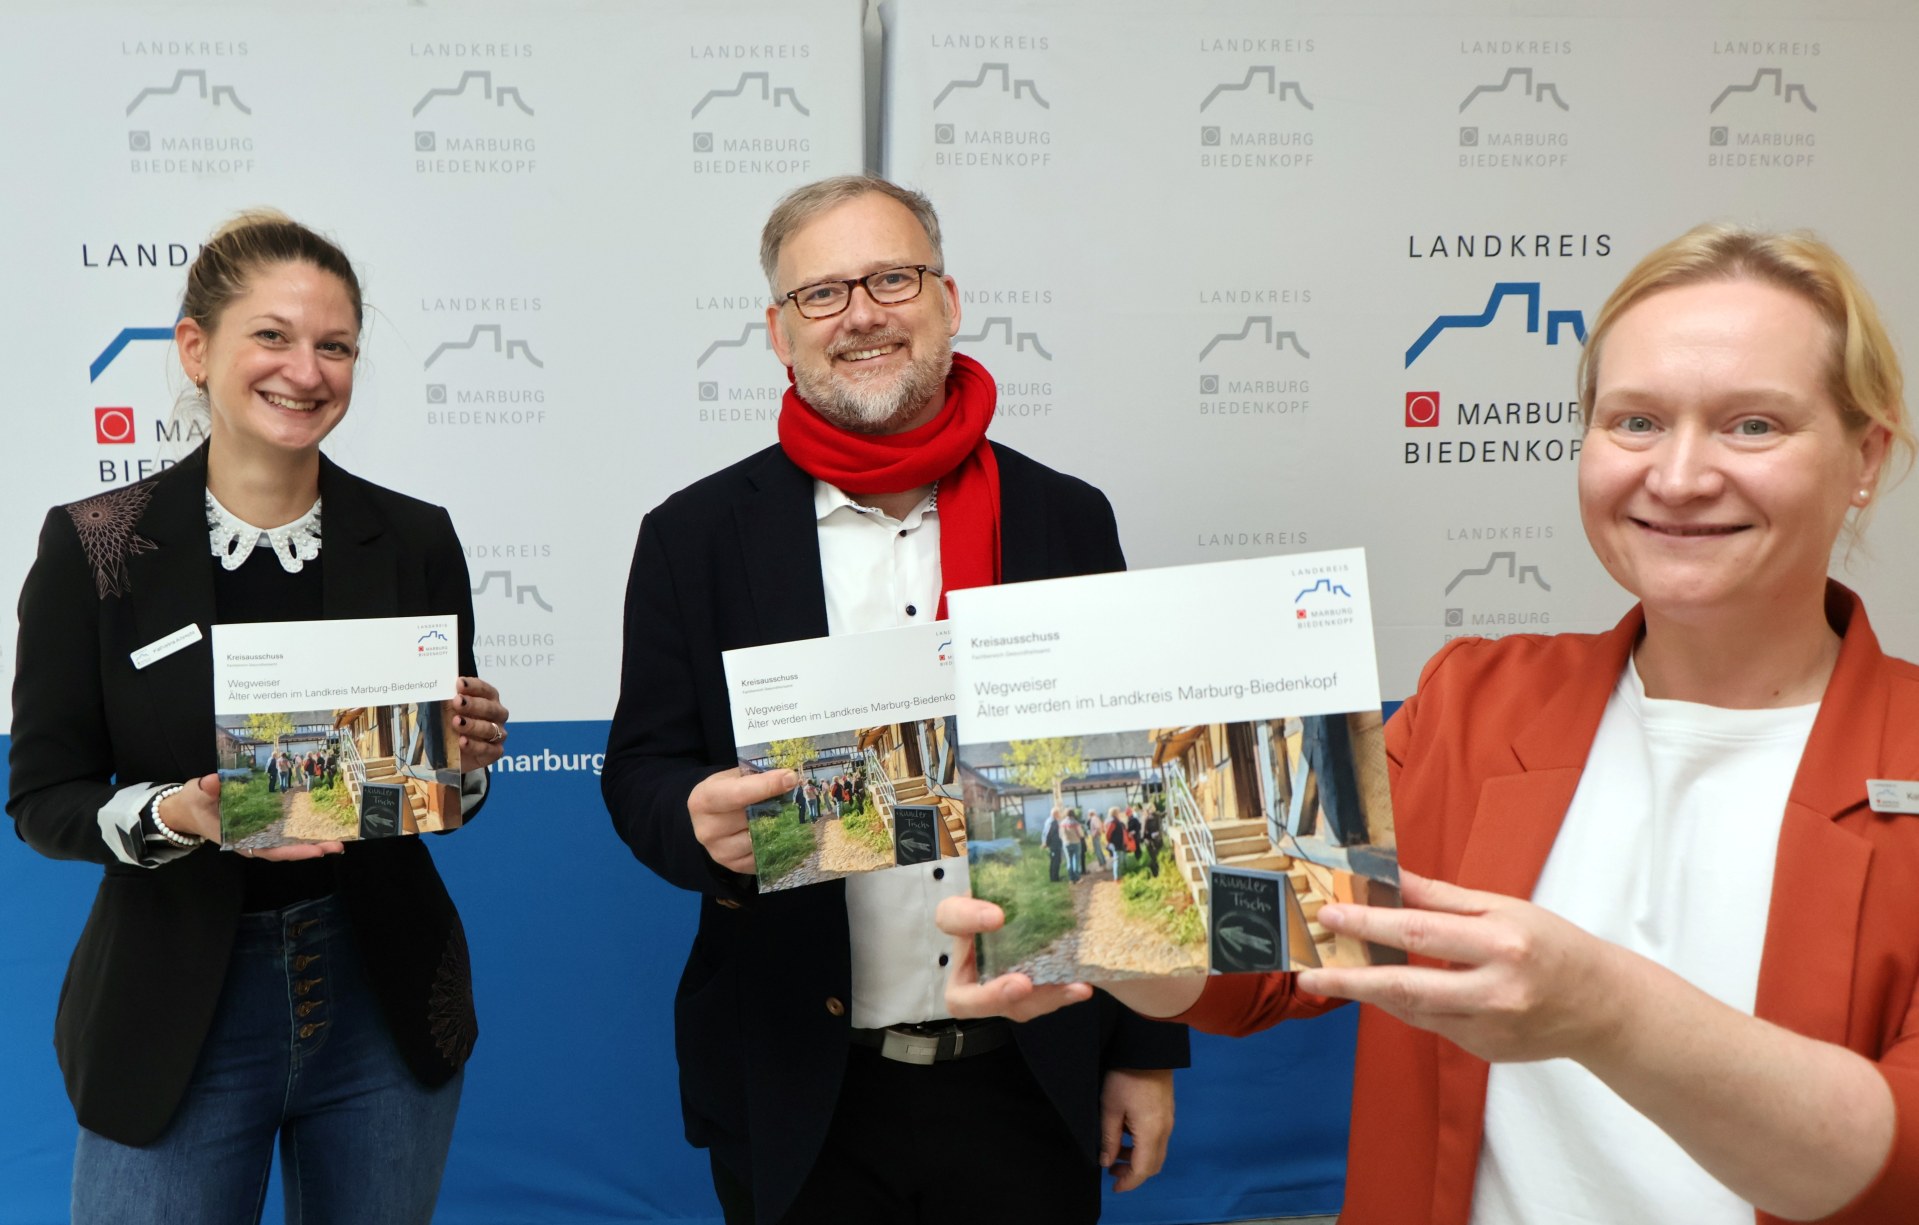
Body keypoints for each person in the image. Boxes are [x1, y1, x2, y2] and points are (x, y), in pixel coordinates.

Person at [941, 224, 1919, 1224]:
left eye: (1751, 425)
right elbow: (1264, 972)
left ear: (1863, 456)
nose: (1676, 476)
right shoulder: (1473, 703)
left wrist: (1606, 1011)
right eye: (1635, 421)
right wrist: (1089, 928)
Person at [602, 174, 1186, 1225]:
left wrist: (1143, 1050)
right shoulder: (694, 536)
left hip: (1029, 1071)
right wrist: (692, 820)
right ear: (779, 333)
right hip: (802, 1081)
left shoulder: (1062, 518)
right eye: (822, 293)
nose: (861, 313)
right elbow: (640, 770)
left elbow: (1133, 788)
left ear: (947, 302)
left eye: (891, 279)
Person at [7, 210, 512, 1224]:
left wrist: (467, 761)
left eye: (336, 346)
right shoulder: (95, 546)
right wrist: (177, 813)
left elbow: (441, 796)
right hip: (171, 1003)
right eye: (272, 336)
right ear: (196, 349)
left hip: (382, 991)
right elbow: (43, 798)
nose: (305, 370)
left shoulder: (414, 538)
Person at [1059, 807, 1084, 882]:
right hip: (1075, 842)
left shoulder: (1062, 823)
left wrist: (1064, 839)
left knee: (1069, 860)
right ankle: (1077, 877)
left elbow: (1060, 834)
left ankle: (1071, 878)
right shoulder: (1075, 823)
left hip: (1066, 843)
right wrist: (1081, 837)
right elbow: (1081, 833)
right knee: (1076, 860)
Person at [1042, 804, 1065, 882]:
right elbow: (1049, 834)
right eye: (1059, 813)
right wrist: (1046, 843)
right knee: (1056, 861)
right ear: (1055, 814)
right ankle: (1055, 878)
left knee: (1053, 861)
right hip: (1055, 845)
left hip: (1053, 844)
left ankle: (1054, 877)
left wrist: (1045, 842)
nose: (1060, 815)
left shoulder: (1048, 820)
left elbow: (1044, 833)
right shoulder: (1053, 822)